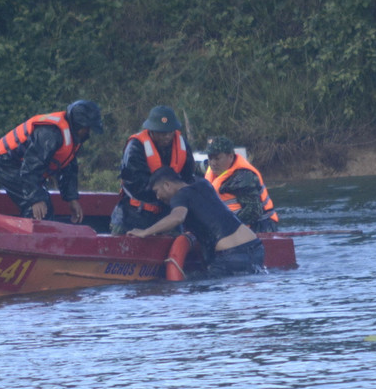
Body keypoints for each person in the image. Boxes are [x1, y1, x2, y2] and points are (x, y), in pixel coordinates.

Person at [127, 167, 265, 277]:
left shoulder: (179, 196)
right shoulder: (204, 184)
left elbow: (177, 217)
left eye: (157, 191)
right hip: (255, 247)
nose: (157, 197)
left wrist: (146, 232)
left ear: (167, 185)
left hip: (231, 255)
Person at [0, 100, 103, 223]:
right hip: (7, 164)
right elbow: (30, 166)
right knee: (39, 208)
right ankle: (31, 240)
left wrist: (72, 199)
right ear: (79, 124)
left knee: (43, 203)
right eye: (88, 128)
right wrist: (34, 199)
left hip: (25, 168)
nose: (88, 132)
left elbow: (68, 168)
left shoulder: (74, 138)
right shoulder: (50, 133)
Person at [110, 105, 197, 235]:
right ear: (151, 131)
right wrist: (168, 192)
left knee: (177, 243)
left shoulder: (182, 144)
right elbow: (136, 184)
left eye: (169, 132)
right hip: (135, 213)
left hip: (168, 211)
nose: (166, 137)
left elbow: (188, 177)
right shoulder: (136, 146)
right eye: (161, 133)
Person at [204, 136, 279, 232]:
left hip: (261, 227)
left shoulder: (244, 177)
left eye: (217, 158)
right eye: (210, 158)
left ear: (230, 156)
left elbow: (253, 212)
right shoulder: (213, 167)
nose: (213, 163)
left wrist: (225, 226)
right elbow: (197, 166)